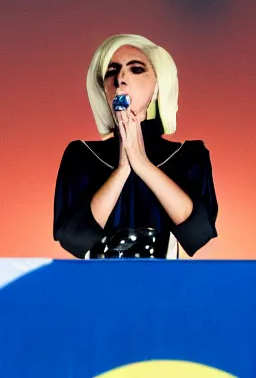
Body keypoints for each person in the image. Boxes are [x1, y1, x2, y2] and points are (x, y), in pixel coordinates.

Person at [53, 34, 218, 259]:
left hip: (163, 287)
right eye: (111, 71)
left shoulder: (188, 155)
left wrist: (142, 163)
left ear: (157, 86)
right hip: (98, 287)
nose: (120, 78)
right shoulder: (81, 155)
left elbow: (197, 233)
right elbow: (73, 239)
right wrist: (122, 170)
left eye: (136, 69)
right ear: (103, 89)